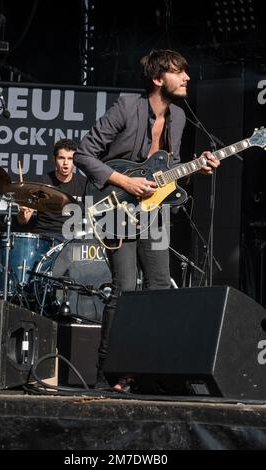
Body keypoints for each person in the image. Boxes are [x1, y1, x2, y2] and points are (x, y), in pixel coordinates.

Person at [74, 49, 220, 390]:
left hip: (154, 214)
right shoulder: (126, 107)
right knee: (124, 289)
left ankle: (144, 371)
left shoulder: (180, 118)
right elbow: (84, 153)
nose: (186, 78)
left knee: (158, 290)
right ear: (158, 79)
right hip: (114, 206)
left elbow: (168, 175)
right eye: (178, 72)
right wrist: (124, 181)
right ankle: (106, 376)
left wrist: (198, 166)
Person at [17, 138, 86, 240]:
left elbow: (93, 219)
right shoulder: (42, 183)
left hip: (73, 240)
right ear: (54, 159)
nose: (65, 162)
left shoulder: (84, 184)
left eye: (70, 158)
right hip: (45, 238)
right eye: (61, 158)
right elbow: (23, 220)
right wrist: (22, 213)